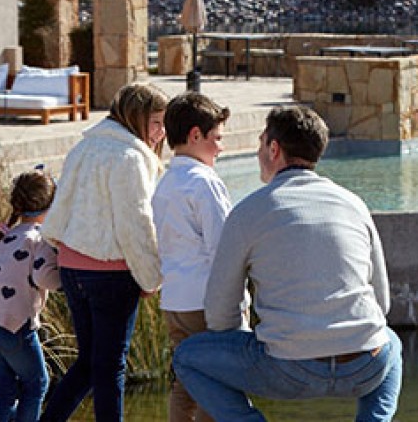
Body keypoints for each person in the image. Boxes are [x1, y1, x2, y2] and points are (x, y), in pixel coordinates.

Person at [173, 106, 403, 422]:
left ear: (274, 149)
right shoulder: (354, 204)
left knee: (187, 356)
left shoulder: (249, 212)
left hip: (288, 369)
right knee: (391, 342)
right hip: (362, 365)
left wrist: (243, 342)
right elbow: (382, 302)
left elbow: (219, 312)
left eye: (260, 143)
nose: (257, 152)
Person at [39, 83, 169, 422]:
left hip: (71, 266)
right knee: (111, 366)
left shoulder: (84, 148)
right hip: (110, 273)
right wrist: (151, 277)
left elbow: (62, 206)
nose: (161, 132)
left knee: (89, 362)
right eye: (156, 122)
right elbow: (135, 224)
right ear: (136, 118)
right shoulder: (130, 158)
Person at [152, 94, 235, 422]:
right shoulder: (204, 183)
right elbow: (223, 247)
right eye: (217, 139)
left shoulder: (166, 182)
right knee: (217, 383)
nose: (221, 148)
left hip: (175, 298)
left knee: (186, 381)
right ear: (195, 135)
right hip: (206, 299)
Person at [0, 169, 63, 422]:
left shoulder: (4, 237)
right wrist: (66, 277)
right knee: (37, 384)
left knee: (3, 388)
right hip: (13, 324)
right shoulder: (39, 239)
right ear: (52, 205)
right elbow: (45, 278)